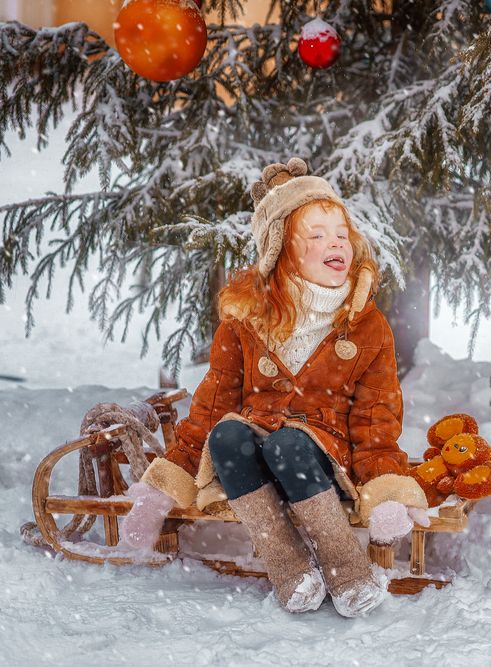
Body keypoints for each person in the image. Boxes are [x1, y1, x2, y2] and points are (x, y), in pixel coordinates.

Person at [116, 157, 430, 617]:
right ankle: (291, 568)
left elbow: (375, 420)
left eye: (341, 233)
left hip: (324, 460)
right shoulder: (247, 319)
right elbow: (209, 407)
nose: (335, 242)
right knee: (226, 433)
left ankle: (348, 570)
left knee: (287, 444)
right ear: (282, 247)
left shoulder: (367, 326)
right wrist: (164, 484)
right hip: (254, 460)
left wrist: (386, 487)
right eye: (317, 234)